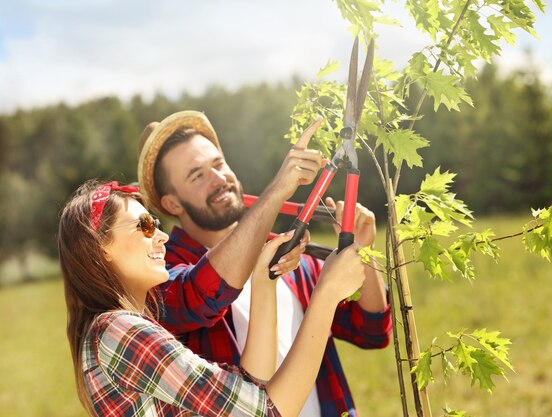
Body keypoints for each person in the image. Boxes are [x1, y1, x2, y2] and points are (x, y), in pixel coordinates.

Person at [137, 111, 392, 417]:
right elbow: (202, 292)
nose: (219, 180)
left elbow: (372, 331)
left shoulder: (287, 249)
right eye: (197, 175)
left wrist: (364, 251)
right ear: (172, 204)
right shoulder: (159, 270)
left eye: (218, 164)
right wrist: (277, 190)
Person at [58, 179, 366, 417]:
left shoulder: (115, 332)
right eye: (145, 225)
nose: (162, 236)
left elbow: (250, 388)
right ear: (100, 248)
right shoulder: (119, 332)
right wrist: (326, 295)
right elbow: (269, 410)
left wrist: (264, 279)